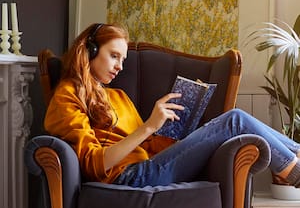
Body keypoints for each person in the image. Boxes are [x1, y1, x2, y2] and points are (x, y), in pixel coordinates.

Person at [44, 23, 300, 188]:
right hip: (130, 178)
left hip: (149, 166)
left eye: (122, 59)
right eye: (114, 56)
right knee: (235, 120)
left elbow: (147, 145)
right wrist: (147, 127)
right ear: (89, 51)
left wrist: (180, 127)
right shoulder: (68, 94)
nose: (120, 66)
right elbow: (92, 163)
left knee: (230, 123)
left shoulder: (118, 96)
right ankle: (294, 168)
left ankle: (294, 159)